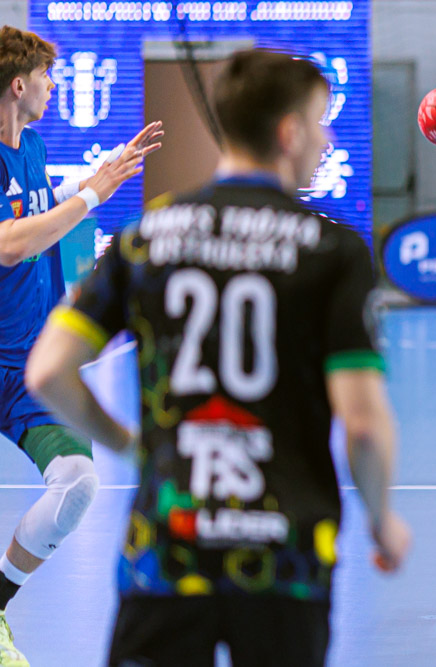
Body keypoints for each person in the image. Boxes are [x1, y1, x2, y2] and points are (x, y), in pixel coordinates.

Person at [25, 49, 410, 665]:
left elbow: (48, 371)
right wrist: (382, 519)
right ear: (288, 133)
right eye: (319, 123)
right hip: (285, 554)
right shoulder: (332, 250)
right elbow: (363, 424)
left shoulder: (147, 237)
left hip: (167, 548)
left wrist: (131, 444)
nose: (327, 140)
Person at [0, 25, 162, 666]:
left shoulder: (31, 145)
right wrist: (95, 195)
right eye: (47, 76)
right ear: (19, 85)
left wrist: (92, 182)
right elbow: (12, 243)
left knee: (77, 484)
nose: (54, 85)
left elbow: (35, 205)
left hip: (29, 365)